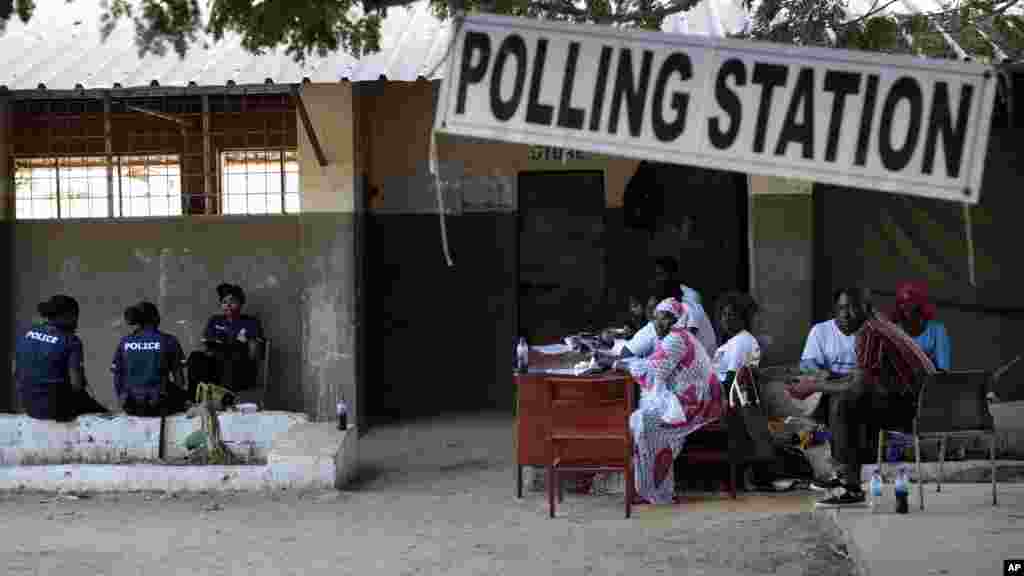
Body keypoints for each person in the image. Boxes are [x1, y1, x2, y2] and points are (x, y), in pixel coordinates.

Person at [786, 288, 936, 507]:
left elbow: (858, 385)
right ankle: (845, 474)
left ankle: (850, 486)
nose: (844, 315)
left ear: (867, 308)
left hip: (913, 411)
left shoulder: (869, 332)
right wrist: (825, 381)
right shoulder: (880, 326)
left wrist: (813, 386)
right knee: (839, 396)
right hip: (922, 405)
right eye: (840, 309)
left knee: (844, 401)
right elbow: (865, 377)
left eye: (852, 308)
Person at [614, 298, 724, 505]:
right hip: (690, 402)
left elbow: (654, 372)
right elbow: (654, 365)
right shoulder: (676, 337)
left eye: (665, 318)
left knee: (645, 422)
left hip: (699, 405)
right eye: (656, 318)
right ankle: (649, 489)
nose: (658, 323)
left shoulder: (677, 338)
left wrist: (619, 364)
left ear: (677, 320)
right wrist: (624, 363)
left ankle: (658, 493)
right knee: (640, 420)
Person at [15, 295, 108, 421]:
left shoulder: (26, 331)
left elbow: (15, 368)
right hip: (55, 408)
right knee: (103, 414)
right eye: (75, 316)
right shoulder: (71, 341)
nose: (77, 321)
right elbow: (77, 385)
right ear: (67, 316)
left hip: (28, 405)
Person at [112, 302, 190, 417]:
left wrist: (122, 400)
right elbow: (180, 379)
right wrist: (182, 399)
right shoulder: (169, 340)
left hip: (131, 405)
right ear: (155, 318)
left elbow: (117, 377)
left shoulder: (124, 342)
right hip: (159, 405)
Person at [187, 283, 264, 397]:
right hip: (217, 366)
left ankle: (225, 398)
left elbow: (253, 354)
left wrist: (238, 346)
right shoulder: (215, 320)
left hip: (240, 369)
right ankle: (194, 398)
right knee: (195, 357)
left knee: (231, 355)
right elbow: (207, 348)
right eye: (224, 302)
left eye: (232, 301)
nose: (227, 305)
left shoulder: (250, 322)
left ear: (241, 303)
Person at [653, 256, 717, 355]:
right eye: (656, 275)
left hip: (704, 357)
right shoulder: (665, 300)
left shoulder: (690, 296)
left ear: (673, 275)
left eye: (661, 274)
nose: (658, 279)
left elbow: (691, 331)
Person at [888, 280, 951, 371]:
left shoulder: (937, 330)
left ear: (920, 304)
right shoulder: (893, 331)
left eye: (910, 302)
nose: (906, 306)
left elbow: (943, 369)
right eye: (902, 302)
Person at [712, 291, 762, 389]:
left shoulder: (741, 341)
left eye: (731, 315)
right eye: (724, 314)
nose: (725, 319)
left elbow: (732, 381)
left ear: (742, 318)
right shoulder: (735, 340)